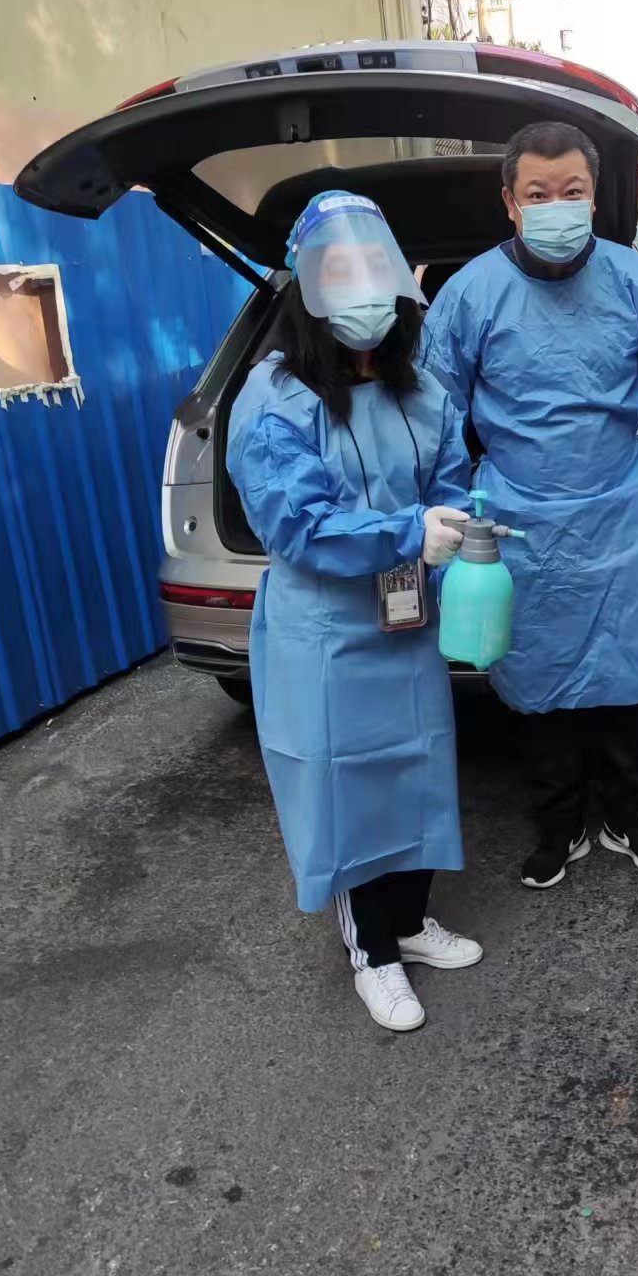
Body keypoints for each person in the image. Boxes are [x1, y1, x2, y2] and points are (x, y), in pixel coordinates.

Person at [421, 121, 638, 890]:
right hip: (519, 515)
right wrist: (444, 505)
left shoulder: (632, 279)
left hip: (617, 511)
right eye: (538, 194)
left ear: (594, 197)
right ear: (509, 201)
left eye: (572, 191)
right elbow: (433, 409)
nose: (556, 205)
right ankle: (557, 823)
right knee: (537, 676)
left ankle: (633, 817)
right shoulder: (470, 295)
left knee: (629, 673)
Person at [227, 191, 481, 1033]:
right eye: (339, 269)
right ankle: (371, 952)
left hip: (406, 620)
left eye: (374, 267)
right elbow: (297, 525)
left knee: (416, 770)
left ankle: (407, 922)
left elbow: (449, 483)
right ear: (307, 285)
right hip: (326, 632)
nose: (362, 289)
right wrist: (410, 531)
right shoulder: (276, 398)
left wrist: (457, 536)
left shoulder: (422, 389)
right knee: (346, 785)